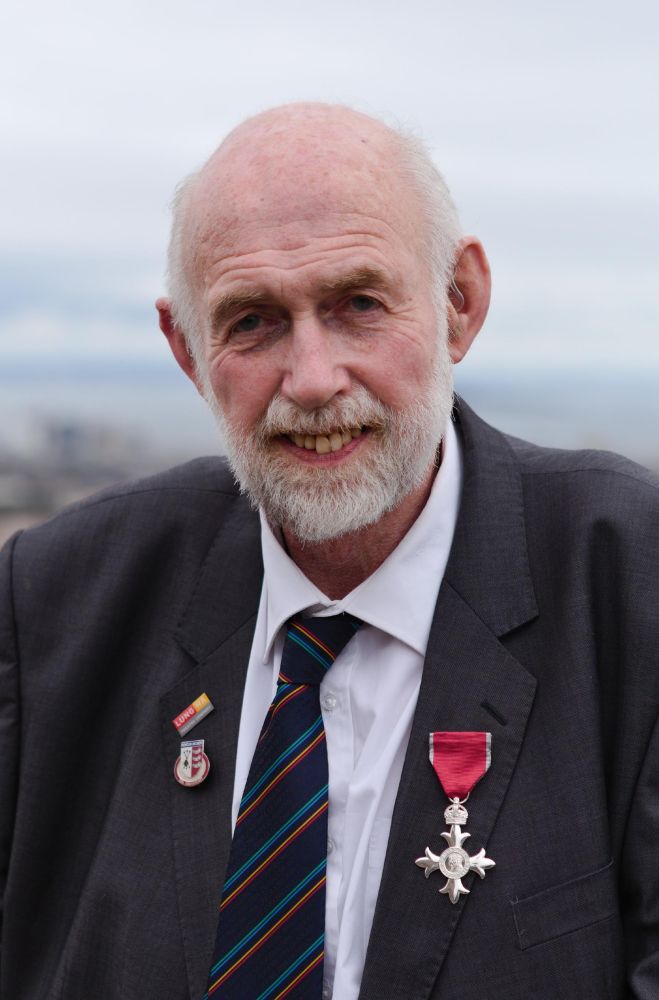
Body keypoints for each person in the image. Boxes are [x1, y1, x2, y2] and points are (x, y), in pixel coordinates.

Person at [0, 103, 656, 1000]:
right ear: (188, 351)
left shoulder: (629, 582)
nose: (311, 379)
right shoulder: (55, 602)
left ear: (458, 304)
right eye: (253, 321)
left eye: (357, 304)